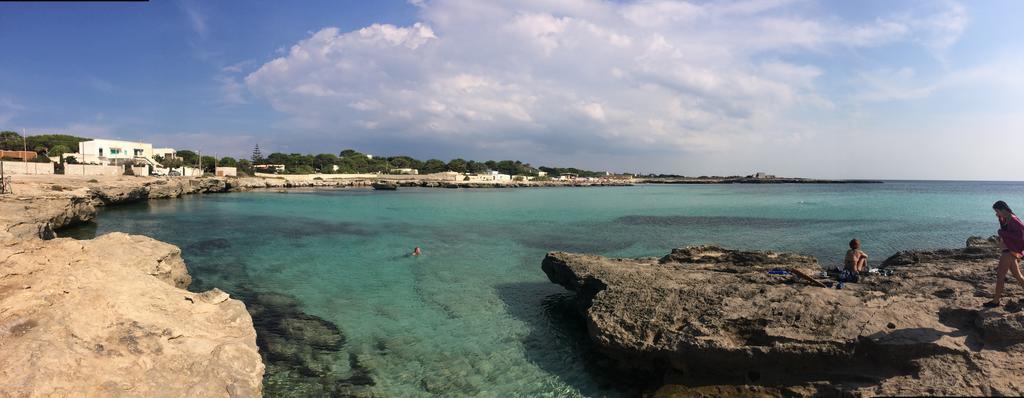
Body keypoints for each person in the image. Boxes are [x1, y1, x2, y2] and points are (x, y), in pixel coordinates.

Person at [985, 201, 1024, 307]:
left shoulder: (1014, 220)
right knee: (1017, 276)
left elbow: (1021, 236)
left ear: (1003, 209)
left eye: (997, 211)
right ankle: (996, 300)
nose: (996, 214)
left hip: (1009, 252)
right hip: (1009, 251)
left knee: (1000, 276)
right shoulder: (1006, 218)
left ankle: (995, 301)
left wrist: (1002, 233)